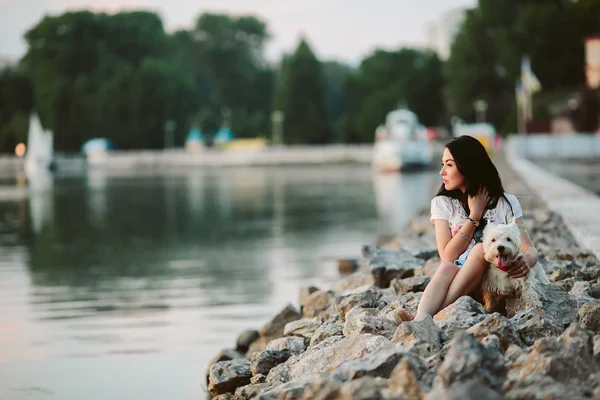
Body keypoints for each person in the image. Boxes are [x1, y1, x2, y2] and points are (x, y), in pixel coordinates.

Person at [398, 135, 539, 321]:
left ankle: (430, 315)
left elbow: (530, 248)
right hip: (463, 282)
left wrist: (527, 260)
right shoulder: (443, 203)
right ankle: (421, 318)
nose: (442, 172)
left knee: (481, 249)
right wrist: (474, 216)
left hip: (493, 285)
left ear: (468, 166)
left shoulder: (507, 203)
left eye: (449, 164)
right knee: (447, 267)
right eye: (443, 164)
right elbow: (447, 257)